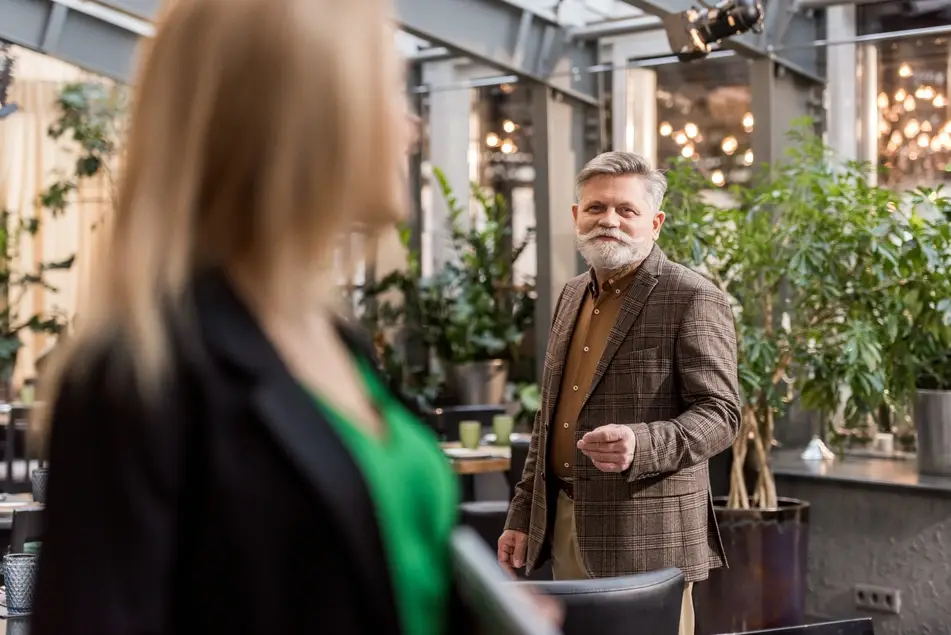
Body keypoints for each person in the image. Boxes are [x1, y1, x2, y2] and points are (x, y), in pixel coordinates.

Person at [30, 1, 471, 633]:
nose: (411, 127)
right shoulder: (140, 373)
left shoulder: (336, 340)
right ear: (303, 113)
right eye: (388, 87)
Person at [497, 151, 741, 635]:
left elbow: (722, 414)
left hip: (646, 539)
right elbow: (549, 420)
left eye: (625, 210)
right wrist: (523, 514)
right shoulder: (570, 296)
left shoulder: (691, 296)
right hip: (565, 523)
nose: (609, 219)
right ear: (576, 217)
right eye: (595, 208)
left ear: (655, 222)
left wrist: (641, 444)